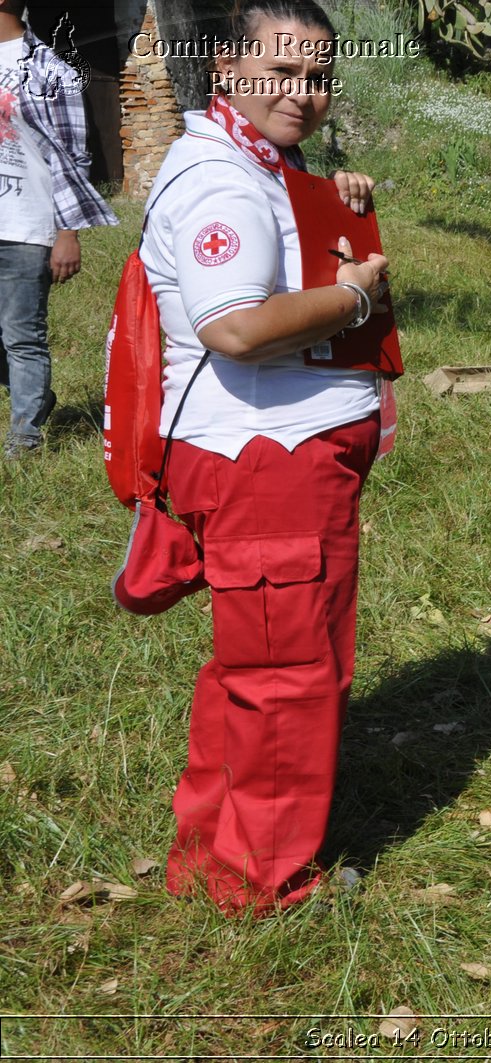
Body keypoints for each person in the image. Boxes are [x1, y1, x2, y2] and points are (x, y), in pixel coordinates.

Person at [144, 0, 393, 914]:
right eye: (282, 73)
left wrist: (339, 207)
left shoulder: (260, 166)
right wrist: (354, 300)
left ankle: (213, 853)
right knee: (289, 677)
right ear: (226, 67)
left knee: (254, 670)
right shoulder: (224, 182)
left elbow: (284, 266)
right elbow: (238, 326)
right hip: (267, 466)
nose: (303, 94)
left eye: (318, 78)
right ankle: (264, 883)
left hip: (279, 460)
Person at [0, 0, 117, 460]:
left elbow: (73, 156)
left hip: (26, 225)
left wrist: (68, 233)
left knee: (22, 335)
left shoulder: (50, 68)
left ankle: (24, 438)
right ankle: (37, 397)